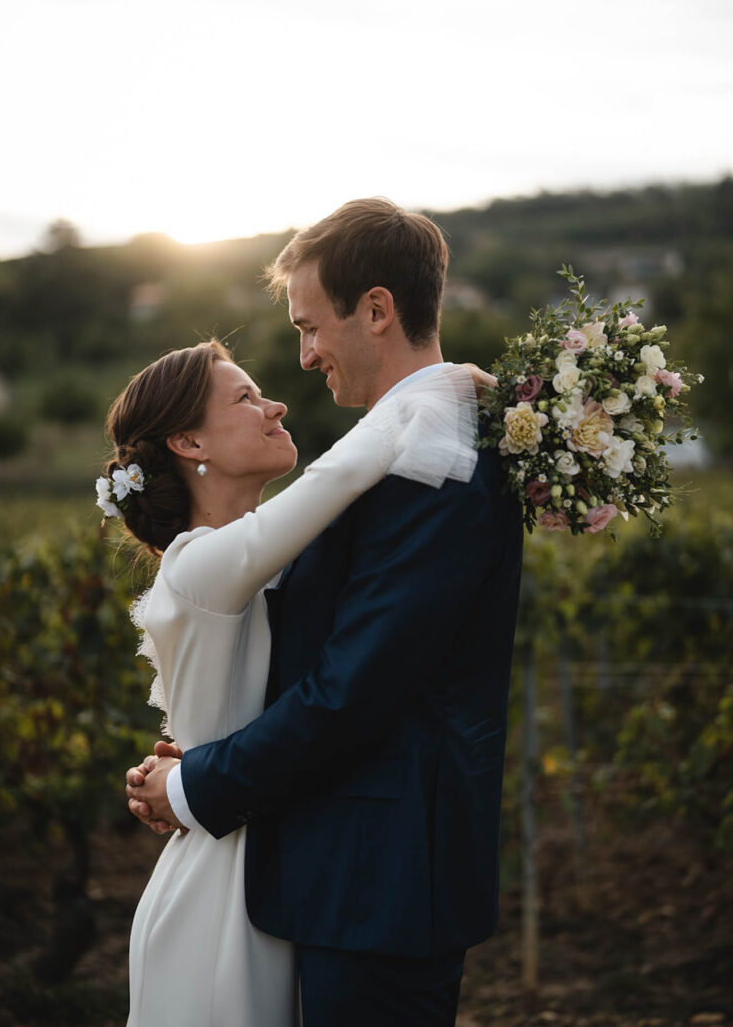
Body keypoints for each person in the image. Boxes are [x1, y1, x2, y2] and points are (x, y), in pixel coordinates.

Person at [125, 198, 523, 1027]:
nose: (302, 360)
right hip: (324, 870)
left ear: (376, 310)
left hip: (380, 878)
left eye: (310, 329)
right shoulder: (413, 442)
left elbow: (353, 689)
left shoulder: (436, 460)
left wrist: (195, 780)